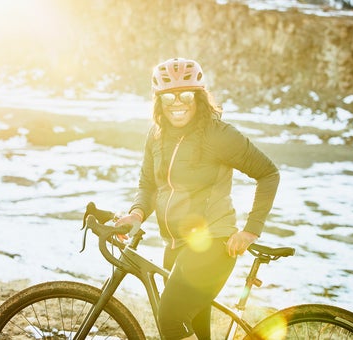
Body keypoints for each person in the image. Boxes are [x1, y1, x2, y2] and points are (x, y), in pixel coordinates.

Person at [115, 58, 280, 340]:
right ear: (159, 101)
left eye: (186, 95)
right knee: (196, 330)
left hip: (212, 244)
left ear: (199, 97)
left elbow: (268, 173)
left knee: (170, 320)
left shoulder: (218, 134)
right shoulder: (156, 136)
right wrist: (137, 213)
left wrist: (251, 229)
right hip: (175, 245)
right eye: (168, 97)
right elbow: (148, 185)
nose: (177, 103)